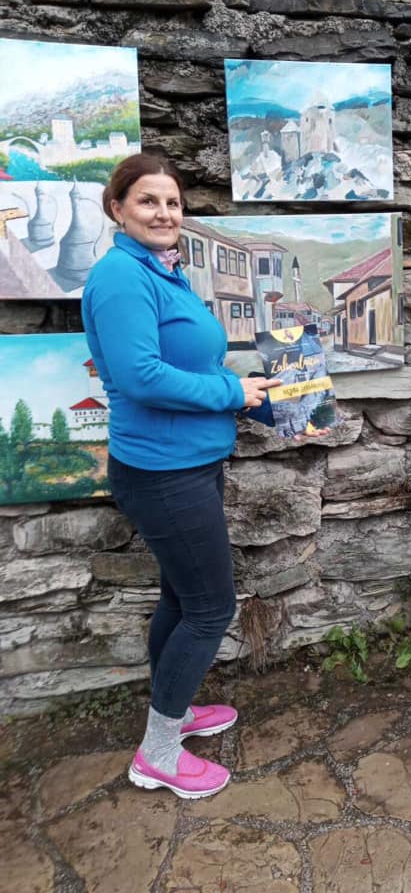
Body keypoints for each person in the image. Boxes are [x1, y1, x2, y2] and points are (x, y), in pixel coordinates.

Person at [82, 153, 280, 798]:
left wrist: (254, 395)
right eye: (148, 200)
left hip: (189, 463)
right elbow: (140, 376)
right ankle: (159, 753)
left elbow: (188, 363)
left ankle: (174, 709)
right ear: (117, 208)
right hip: (163, 472)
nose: (164, 212)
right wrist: (231, 392)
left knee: (180, 599)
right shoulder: (121, 277)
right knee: (210, 607)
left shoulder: (161, 271)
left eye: (172, 202)